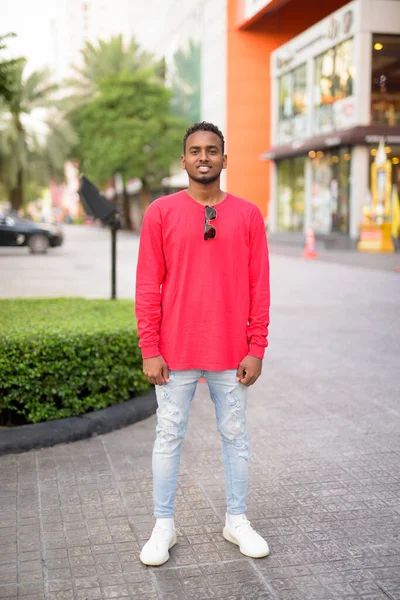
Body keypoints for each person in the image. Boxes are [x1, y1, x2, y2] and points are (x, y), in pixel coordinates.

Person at [135, 121, 270, 566]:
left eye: (212, 150)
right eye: (195, 150)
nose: (204, 157)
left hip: (232, 354)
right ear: (184, 160)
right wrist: (149, 348)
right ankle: (163, 526)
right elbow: (146, 285)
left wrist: (257, 346)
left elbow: (259, 286)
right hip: (174, 353)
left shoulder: (248, 215)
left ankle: (236, 520)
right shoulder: (160, 212)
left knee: (235, 437)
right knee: (168, 436)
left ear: (224, 159)